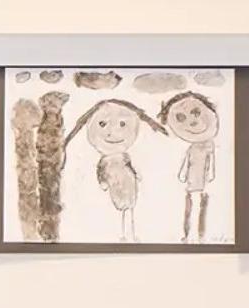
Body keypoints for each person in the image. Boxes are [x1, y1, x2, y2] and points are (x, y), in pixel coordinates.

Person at [63, 99, 168, 242]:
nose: (113, 132)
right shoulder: (105, 160)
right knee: (117, 210)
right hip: (115, 186)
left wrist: (136, 175)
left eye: (122, 124)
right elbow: (100, 171)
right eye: (102, 124)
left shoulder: (124, 156)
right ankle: (121, 235)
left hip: (129, 183)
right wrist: (103, 182)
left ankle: (130, 234)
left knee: (130, 209)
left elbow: (129, 166)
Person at [160, 91, 219, 242]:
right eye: (181, 118)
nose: (192, 121)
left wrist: (212, 174)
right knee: (190, 206)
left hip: (203, 182)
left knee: (202, 205)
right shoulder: (192, 147)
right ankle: (187, 234)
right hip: (191, 181)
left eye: (196, 112)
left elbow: (211, 162)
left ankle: (200, 234)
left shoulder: (208, 145)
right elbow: (187, 161)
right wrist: (181, 174)